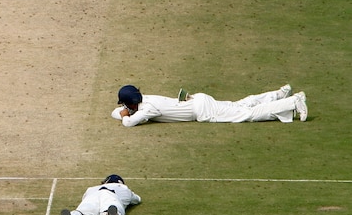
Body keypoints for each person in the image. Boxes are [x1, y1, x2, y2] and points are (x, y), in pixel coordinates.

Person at [112, 84, 308, 127]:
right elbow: (117, 113)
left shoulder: (147, 109)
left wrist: (124, 114)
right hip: (199, 100)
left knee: (246, 114)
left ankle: (292, 102)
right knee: (240, 104)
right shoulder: (148, 98)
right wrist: (123, 112)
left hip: (204, 110)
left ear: (131, 103)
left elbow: (128, 123)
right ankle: (280, 94)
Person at [59, 175, 140, 215]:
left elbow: (84, 198)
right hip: (111, 196)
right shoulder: (123, 188)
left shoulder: (91, 188)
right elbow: (137, 200)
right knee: (111, 206)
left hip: (92, 196)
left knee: (84, 211)